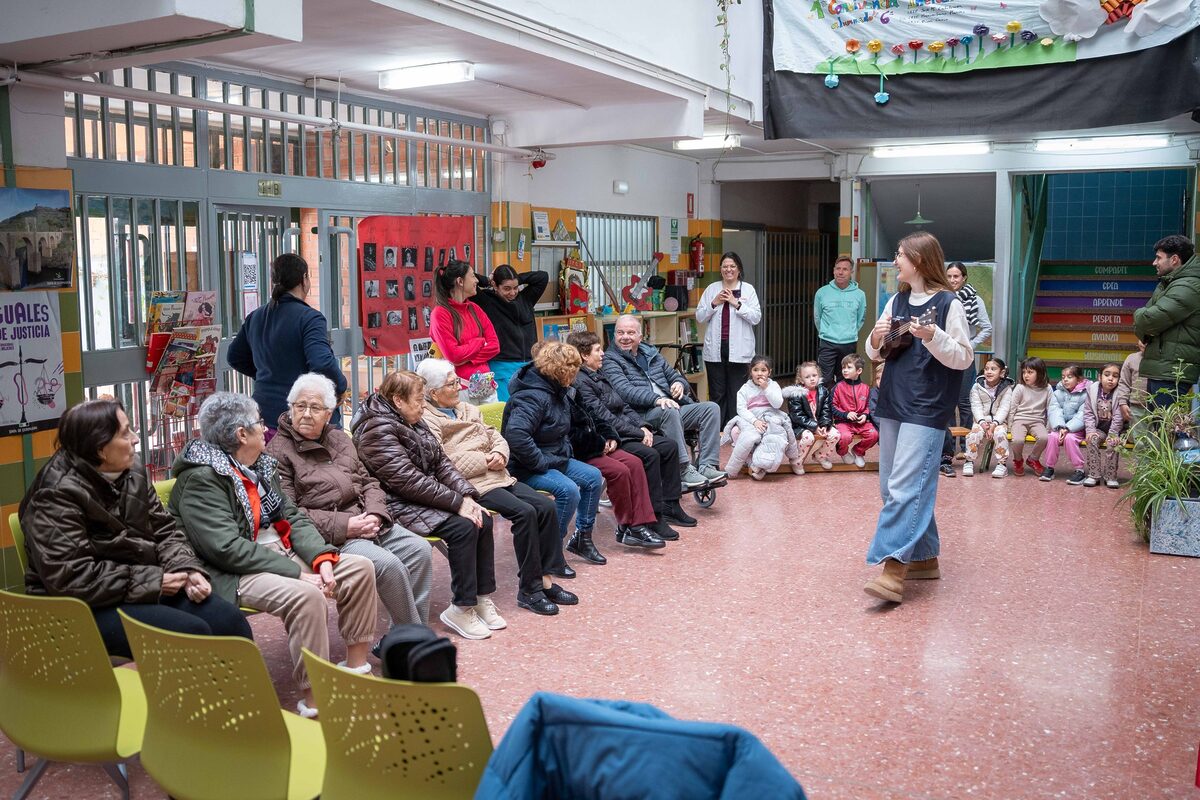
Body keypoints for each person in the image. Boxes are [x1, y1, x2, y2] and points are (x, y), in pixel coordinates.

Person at [169, 392, 376, 718]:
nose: (265, 428)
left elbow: (292, 516)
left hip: (280, 553)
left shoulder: (259, 466)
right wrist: (298, 574)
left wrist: (322, 559)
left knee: (360, 568)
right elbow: (226, 548)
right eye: (259, 423)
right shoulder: (202, 478)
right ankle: (316, 700)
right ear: (242, 434)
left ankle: (356, 668)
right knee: (307, 596)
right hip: (237, 571)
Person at [18, 399, 251, 659]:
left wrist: (185, 568)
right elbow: (71, 578)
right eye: (125, 433)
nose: (136, 439)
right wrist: (154, 581)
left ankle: (234, 687)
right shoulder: (54, 495)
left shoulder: (131, 470)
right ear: (100, 449)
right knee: (190, 633)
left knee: (229, 621)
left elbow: (165, 531)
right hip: (81, 605)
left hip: (138, 584)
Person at [267, 373, 433, 628]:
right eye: (300, 406)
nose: (307, 414)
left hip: (367, 520)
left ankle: (407, 635)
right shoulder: (278, 452)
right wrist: (346, 525)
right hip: (332, 537)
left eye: (315, 408)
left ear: (328, 413)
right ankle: (414, 638)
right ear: (291, 408)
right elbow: (289, 513)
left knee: (419, 550)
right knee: (389, 566)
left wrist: (375, 514)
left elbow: (369, 482)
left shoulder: (339, 438)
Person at [416, 358, 576, 616]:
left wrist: (500, 453)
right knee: (525, 513)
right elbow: (443, 460)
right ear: (433, 393)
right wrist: (484, 460)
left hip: (499, 475)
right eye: (452, 384)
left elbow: (495, 435)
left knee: (545, 507)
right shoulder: (427, 419)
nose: (459, 387)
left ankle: (545, 580)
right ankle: (530, 590)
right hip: (470, 485)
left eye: (457, 381)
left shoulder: (467, 408)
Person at [862, 231, 972, 604]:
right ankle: (924, 558)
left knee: (905, 487)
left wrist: (933, 336)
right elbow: (874, 352)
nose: (895, 260)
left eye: (900, 254)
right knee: (890, 487)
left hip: (927, 407)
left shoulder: (948, 303)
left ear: (919, 260)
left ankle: (893, 570)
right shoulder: (897, 300)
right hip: (894, 399)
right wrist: (875, 338)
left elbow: (963, 357)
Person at [352, 371, 501, 641]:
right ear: (398, 400)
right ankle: (461, 607)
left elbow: (442, 463)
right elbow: (406, 481)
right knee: (463, 527)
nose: (423, 406)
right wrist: (456, 503)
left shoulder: (409, 418)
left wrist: (466, 495)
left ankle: (480, 597)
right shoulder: (376, 429)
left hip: (423, 496)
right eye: (419, 400)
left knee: (482, 517)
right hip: (396, 503)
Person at [504, 343, 665, 553]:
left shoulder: (561, 390)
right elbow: (518, 436)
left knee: (602, 473)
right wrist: (542, 462)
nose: (577, 373)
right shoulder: (533, 396)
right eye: (573, 368)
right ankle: (552, 551)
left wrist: (608, 435)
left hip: (559, 455)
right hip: (534, 463)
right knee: (574, 488)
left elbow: (589, 416)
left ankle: (587, 536)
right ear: (561, 370)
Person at [567, 330, 697, 545]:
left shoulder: (600, 374)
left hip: (627, 429)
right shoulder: (581, 382)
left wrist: (643, 426)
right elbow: (603, 416)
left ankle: (670, 505)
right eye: (598, 350)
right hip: (613, 435)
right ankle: (653, 517)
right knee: (650, 455)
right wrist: (638, 433)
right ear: (584, 355)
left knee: (669, 446)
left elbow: (624, 406)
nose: (603, 354)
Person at [601, 314, 726, 491]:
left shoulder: (650, 353)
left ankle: (707, 465)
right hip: (640, 415)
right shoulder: (610, 359)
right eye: (620, 333)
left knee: (711, 408)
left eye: (630, 332)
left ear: (640, 337)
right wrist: (657, 399)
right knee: (669, 410)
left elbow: (673, 375)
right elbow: (624, 391)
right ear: (614, 335)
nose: (625, 337)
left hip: (671, 407)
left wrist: (679, 384)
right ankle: (683, 469)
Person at [227, 253, 348, 433]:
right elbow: (322, 362)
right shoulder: (310, 318)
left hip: (263, 415)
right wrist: (341, 386)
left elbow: (234, 357)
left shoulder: (256, 316)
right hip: (303, 417)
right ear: (304, 279)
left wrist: (264, 375)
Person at [1133, 235, 1200, 410]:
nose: (1154, 263)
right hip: (1164, 368)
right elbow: (1145, 322)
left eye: (1159, 258)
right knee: (1158, 424)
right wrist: (1144, 327)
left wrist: (1140, 317)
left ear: (1175, 259)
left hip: (1171, 372)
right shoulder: (1170, 282)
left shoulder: (1188, 286)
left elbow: (1147, 320)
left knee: (1165, 424)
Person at [694, 252, 762, 425]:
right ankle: (717, 430)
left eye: (732, 266)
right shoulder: (712, 289)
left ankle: (735, 429)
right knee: (717, 392)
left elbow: (756, 317)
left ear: (739, 269)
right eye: (725, 266)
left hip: (740, 348)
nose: (728, 269)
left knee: (736, 392)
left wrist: (736, 303)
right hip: (715, 349)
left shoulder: (748, 289)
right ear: (720, 269)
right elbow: (700, 316)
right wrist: (714, 303)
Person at [940, 261, 993, 476]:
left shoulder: (975, 299)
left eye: (956, 276)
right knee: (947, 401)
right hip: (944, 355)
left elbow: (986, 328)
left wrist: (969, 345)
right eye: (949, 276)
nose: (953, 280)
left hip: (964, 356)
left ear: (964, 278)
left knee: (964, 401)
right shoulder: (942, 297)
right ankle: (949, 449)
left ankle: (966, 447)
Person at [429, 259, 500, 404]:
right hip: (459, 389)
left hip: (486, 385)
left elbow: (495, 346)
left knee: (494, 420)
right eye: (473, 276)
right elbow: (453, 356)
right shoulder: (440, 314)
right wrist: (479, 342)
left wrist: (466, 356)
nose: (476, 281)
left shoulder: (475, 309)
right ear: (460, 281)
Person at [473, 265, 549, 401]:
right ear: (495, 286)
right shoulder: (486, 301)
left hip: (529, 365)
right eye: (506, 288)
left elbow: (542, 277)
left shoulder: (525, 299)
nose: (512, 293)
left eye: (515, 287)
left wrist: (517, 278)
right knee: (508, 408)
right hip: (502, 365)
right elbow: (462, 276)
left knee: (530, 407)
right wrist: (487, 280)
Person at [722, 356, 801, 479]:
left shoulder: (773, 385)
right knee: (736, 432)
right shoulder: (745, 388)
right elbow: (741, 409)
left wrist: (766, 388)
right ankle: (751, 462)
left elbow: (777, 404)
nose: (759, 373)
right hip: (752, 418)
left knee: (773, 434)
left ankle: (762, 465)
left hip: (770, 416)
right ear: (751, 371)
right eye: (756, 370)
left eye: (763, 370)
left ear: (769, 372)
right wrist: (754, 421)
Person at [813, 256, 866, 390]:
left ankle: (844, 403)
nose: (840, 272)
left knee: (846, 379)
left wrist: (850, 331)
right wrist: (826, 331)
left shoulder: (860, 294)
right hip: (827, 342)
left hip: (849, 342)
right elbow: (817, 317)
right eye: (838, 269)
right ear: (833, 270)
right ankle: (826, 403)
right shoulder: (822, 292)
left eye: (845, 269)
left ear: (851, 272)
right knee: (824, 380)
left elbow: (861, 319)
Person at [783, 361, 840, 472]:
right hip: (801, 426)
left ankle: (820, 455)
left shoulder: (823, 391)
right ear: (801, 380)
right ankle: (797, 461)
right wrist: (814, 427)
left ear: (818, 376)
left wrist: (825, 424)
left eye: (814, 375)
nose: (812, 379)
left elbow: (826, 410)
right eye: (807, 377)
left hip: (819, 423)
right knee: (809, 438)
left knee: (835, 434)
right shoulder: (796, 394)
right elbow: (797, 416)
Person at [962, 357, 1015, 478]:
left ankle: (1002, 464)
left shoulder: (1006, 388)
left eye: (993, 369)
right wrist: (982, 422)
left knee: (1000, 434)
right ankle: (969, 461)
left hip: (999, 422)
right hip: (981, 421)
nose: (989, 372)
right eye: (986, 369)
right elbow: (976, 406)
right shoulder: (977, 386)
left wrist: (994, 424)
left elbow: (1004, 408)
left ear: (1002, 372)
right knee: (974, 434)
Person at [1004, 358, 1054, 479]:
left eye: (1030, 372)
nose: (1026, 375)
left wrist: (1048, 428)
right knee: (1017, 440)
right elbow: (1012, 408)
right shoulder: (1020, 387)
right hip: (1019, 420)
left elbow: (1051, 409)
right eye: (1024, 372)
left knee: (1044, 438)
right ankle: (1018, 460)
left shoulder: (1047, 388)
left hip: (1037, 421)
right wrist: (1010, 426)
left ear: (1040, 373)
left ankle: (1033, 459)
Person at [1081, 362, 1125, 489]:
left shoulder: (1120, 393)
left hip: (1115, 430)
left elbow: (1119, 416)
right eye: (1107, 375)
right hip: (1098, 429)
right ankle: (1094, 475)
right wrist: (1090, 430)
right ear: (1100, 377)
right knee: (1092, 439)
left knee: (1113, 443)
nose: (1111, 378)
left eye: (1115, 376)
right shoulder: (1092, 390)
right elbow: (1088, 412)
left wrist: (1113, 434)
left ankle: (1110, 477)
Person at [831, 353, 878, 469]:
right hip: (843, 422)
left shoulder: (866, 388)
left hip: (861, 423)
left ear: (859, 370)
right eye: (843, 367)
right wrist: (845, 414)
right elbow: (832, 406)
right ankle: (843, 452)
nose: (845, 370)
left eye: (849, 367)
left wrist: (865, 415)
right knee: (845, 437)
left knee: (874, 434)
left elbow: (869, 406)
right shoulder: (838, 387)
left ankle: (858, 451)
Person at [1044, 365, 1089, 483]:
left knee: (1069, 439)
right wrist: (1060, 427)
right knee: (1052, 437)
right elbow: (1054, 410)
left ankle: (1079, 470)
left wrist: (1068, 428)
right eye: (1063, 377)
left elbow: (1082, 414)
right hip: (1060, 427)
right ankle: (1049, 468)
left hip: (1077, 429)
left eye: (1069, 377)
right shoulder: (1058, 393)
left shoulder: (1085, 394)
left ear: (1079, 379)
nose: (1065, 380)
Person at [1116, 341, 1149, 440]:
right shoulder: (1131, 359)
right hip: (1137, 407)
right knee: (1139, 441)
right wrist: (1122, 403)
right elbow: (1124, 383)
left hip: (1157, 408)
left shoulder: (1161, 359)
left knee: (1157, 440)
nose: (1144, 343)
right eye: (1141, 339)